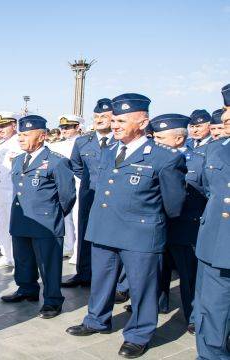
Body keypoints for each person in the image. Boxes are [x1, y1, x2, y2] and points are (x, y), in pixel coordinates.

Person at [66, 93, 187, 359]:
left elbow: (174, 204)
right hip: (105, 229)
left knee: (143, 287)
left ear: (142, 123)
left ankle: (138, 334)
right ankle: (96, 320)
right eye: (113, 120)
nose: (115, 125)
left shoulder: (164, 157)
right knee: (101, 281)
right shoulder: (109, 151)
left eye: (121, 120)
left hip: (140, 233)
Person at [0, 115, 76, 319]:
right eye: (20, 135)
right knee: (23, 259)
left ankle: (52, 300)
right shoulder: (17, 160)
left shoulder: (57, 161)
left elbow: (67, 195)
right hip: (21, 220)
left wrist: (54, 215)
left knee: (48, 264)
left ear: (42, 136)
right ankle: (27, 289)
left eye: (26, 135)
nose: (20, 138)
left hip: (46, 223)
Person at [150, 113, 206, 334]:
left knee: (188, 276)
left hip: (184, 227)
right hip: (155, 224)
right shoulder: (151, 157)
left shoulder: (199, 160)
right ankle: (159, 303)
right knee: (157, 272)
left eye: (161, 138)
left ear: (179, 139)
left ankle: (192, 315)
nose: (156, 142)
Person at [194, 84, 230, 359]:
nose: (225, 118)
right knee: (213, 311)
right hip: (217, 242)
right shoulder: (217, 150)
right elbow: (206, 187)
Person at [62, 99, 114, 288]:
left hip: (115, 197)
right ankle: (84, 273)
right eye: (97, 116)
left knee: (113, 237)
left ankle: (117, 283)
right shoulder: (83, 141)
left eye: (104, 116)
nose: (99, 120)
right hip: (89, 194)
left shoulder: (121, 141)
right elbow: (76, 166)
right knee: (85, 233)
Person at [49, 114, 83, 261]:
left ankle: (78, 251)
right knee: (66, 218)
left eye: (68, 127)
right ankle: (69, 246)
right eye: (62, 127)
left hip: (79, 184)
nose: (64, 130)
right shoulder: (56, 145)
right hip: (62, 185)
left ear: (77, 127)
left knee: (77, 218)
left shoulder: (83, 143)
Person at [0, 111, 24, 268]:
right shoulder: (1, 145)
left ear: (14, 125)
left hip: (14, 192)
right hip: (1, 192)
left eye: (4, 125)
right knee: (2, 224)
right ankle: (7, 255)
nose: (0, 129)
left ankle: (19, 257)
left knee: (16, 226)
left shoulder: (20, 143)